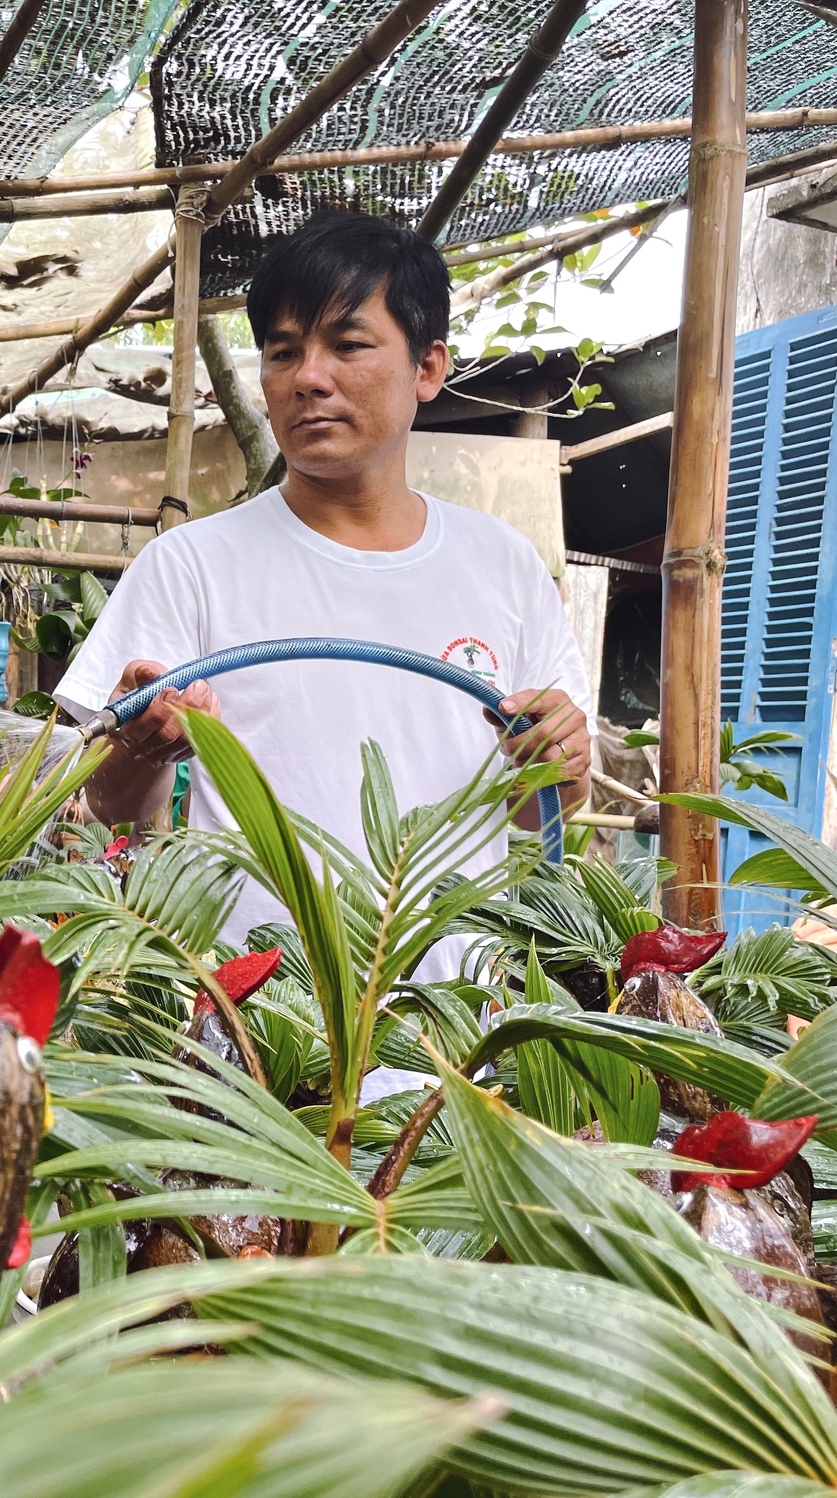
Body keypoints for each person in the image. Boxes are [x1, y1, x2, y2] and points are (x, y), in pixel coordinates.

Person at [54, 209, 592, 955]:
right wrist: (136, 748)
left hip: (456, 1032)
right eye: (282, 353)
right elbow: (111, 814)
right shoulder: (191, 566)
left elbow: (546, 816)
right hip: (255, 1029)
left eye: (348, 346)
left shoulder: (503, 564)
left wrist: (562, 765)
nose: (308, 378)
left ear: (428, 368)